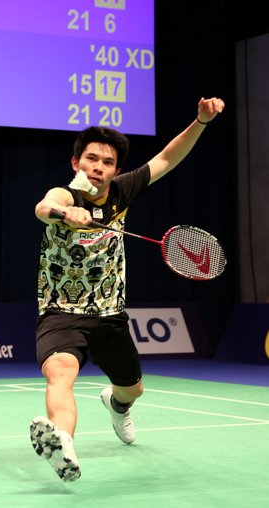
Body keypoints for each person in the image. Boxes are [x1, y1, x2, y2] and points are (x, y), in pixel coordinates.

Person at [30, 97, 225, 481]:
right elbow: (43, 205)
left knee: (131, 389)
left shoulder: (122, 191)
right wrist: (64, 212)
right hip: (60, 312)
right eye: (90, 159)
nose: (98, 167)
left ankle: (117, 406)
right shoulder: (66, 195)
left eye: (106, 162)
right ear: (76, 163)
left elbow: (167, 159)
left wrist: (200, 121)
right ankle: (63, 444)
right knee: (60, 371)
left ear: (116, 169)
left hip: (110, 314)